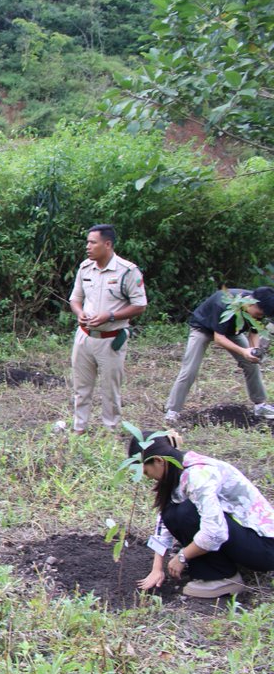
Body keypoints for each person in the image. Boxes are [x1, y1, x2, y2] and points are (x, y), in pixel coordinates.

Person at [129, 431, 274, 599]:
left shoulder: (198, 475)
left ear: (159, 461)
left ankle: (223, 577)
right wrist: (157, 568)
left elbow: (215, 532)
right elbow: (164, 521)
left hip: (265, 547)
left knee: (186, 513)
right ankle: (219, 565)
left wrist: (182, 557)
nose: (147, 477)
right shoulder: (177, 471)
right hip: (243, 537)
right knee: (172, 513)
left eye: (146, 472)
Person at [68, 224, 147, 434]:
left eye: (93, 242)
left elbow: (140, 305)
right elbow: (75, 299)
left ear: (107, 244)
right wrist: (79, 313)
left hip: (111, 339)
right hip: (84, 337)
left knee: (110, 389)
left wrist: (110, 316)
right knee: (81, 387)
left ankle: (110, 431)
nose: (88, 246)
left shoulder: (128, 271)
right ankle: (79, 428)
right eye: (87, 242)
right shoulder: (85, 268)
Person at [163, 286, 274, 423]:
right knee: (190, 369)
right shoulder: (224, 303)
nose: (259, 317)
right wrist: (243, 351)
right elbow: (219, 339)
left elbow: (254, 331)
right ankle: (172, 410)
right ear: (251, 303)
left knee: (252, 364)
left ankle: (260, 405)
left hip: (231, 332)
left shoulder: (262, 303)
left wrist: (253, 350)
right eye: (258, 314)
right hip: (202, 329)